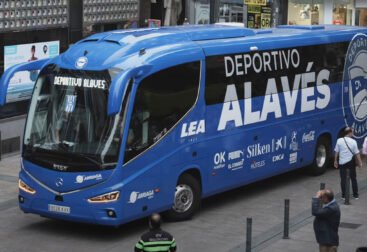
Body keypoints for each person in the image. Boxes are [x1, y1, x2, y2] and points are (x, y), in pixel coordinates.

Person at [334, 127, 362, 199]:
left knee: (343, 179)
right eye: (352, 132)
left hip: (342, 162)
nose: (352, 134)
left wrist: (335, 161)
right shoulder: (353, 141)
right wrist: (360, 163)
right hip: (351, 162)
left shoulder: (339, 140)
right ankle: (355, 195)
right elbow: (357, 153)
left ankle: (343, 195)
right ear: (349, 133)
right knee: (353, 178)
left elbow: (336, 151)